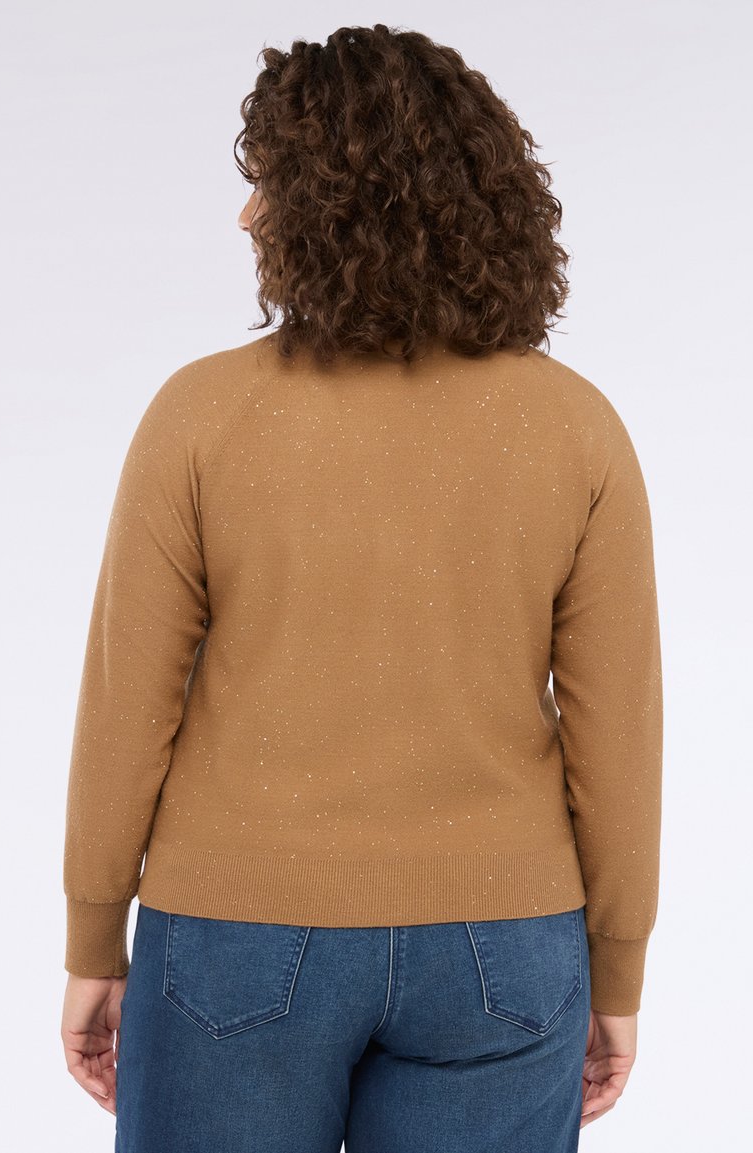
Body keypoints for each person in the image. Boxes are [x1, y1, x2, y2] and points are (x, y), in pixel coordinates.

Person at [60, 23, 663, 1153]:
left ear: (330, 204)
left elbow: (124, 712)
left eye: (268, 184)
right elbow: (617, 740)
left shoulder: (199, 416)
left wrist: (94, 938)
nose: (248, 216)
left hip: (235, 937)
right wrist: (617, 970)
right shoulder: (577, 428)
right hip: (504, 952)